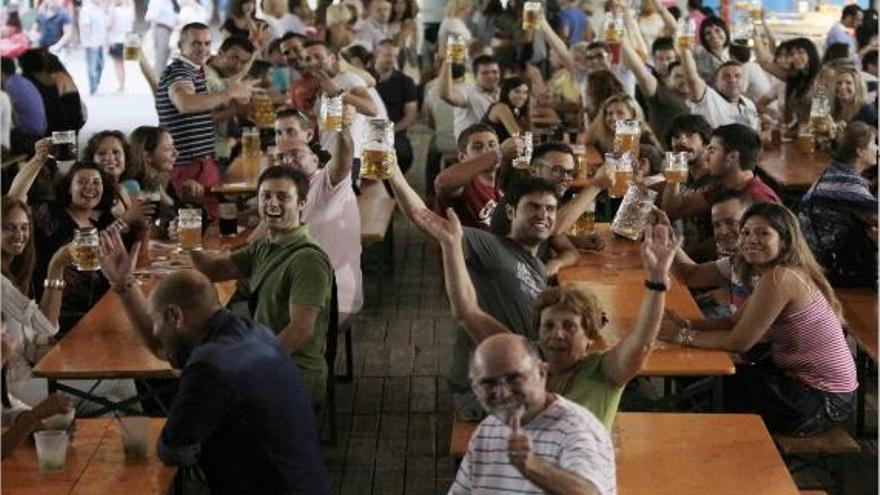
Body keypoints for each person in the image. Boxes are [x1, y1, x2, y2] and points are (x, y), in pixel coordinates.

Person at [97, 237, 329, 493]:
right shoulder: (253, 332)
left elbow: (173, 450)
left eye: (156, 323)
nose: (156, 331)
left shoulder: (210, 366)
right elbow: (162, 347)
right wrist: (123, 285)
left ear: (175, 315)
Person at [428, 200, 676, 428]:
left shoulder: (605, 372)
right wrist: (451, 247)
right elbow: (466, 311)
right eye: (548, 326)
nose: (557, 334)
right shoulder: (525, 354)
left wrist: (657, 281)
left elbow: (642, 342)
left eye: (569, 326)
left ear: (589, 336)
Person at [660, 203, 858, 436]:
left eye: (763, 233)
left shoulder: (781, 278)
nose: (751, 239)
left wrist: (681, 335)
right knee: (708, 383)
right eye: (746, 232)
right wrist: (686, 324)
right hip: (807, 388)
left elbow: (739, 342)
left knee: (715, 391)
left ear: (784, 241)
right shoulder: (773, 273)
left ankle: (705, 453)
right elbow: (732, 323)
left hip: (822, 400)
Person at [189, 166, 334, 407]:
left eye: (283, 197)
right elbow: (213, 270)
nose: (272, 204)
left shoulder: (308, 259)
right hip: (268, 359)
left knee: (205, 391)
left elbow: (300, 330)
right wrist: (190, 242)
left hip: (295, 374)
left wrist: (252, 366)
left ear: (301, 204)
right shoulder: (265, 246)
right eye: (265, 196)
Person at [449, 333, 616, 494]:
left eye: (514, 379)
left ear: (542, 373)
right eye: (488, 383)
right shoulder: (486, 431)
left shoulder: (578, 429)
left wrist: (533, 466)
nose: (503, 393)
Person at [270, 109, 362, 328]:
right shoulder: (289, 190)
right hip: (304, 287)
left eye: (290, 132)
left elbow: (343, 161)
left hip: (332, 299)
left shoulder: (325, 182)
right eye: (279, 134)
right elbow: (259, 236)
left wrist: (343, 130)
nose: (285, 141)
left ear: (314, 155)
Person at [155, 22, 256, 220]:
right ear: (180, 46)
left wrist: (255, 51)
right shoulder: (180, 72)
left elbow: (236, 78)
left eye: (207, 43)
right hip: (187, 165)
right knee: (197, 224)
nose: (203, 49)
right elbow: (185, 103)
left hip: (201, 161)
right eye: (196, 44)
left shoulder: (196, 71)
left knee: (214, 221)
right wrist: (229, 94)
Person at [798, 121, 878, 288]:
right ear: (860, 151)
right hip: (827, 272)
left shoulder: (835, 172)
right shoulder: (848, 186)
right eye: (874, 143)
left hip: (811, 260)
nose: (877, 149)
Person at [662, 123, 779, 222]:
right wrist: (676, 163)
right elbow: (673, 210)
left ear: (732, 157)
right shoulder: (723, 187)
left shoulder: (759, 198)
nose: (706, 157)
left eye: (712, 151)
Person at [302, 40, 379, 179]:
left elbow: (372, 109)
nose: (312, 61)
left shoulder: (349, 79)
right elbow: (327, 125)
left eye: (318, 56)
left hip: (349, 158)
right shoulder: (318, 85)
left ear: (332, 58)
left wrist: (338, 93)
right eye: (308, 58)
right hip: (327, 155)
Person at [669, 193, 754, 316]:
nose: (722, 231)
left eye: (731, 222)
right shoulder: (737, 260)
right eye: (717, 225)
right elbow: (690, 275)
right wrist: (667, 236)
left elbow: (742, 328)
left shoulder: (767, 266)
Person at [434, 123, 521, 230]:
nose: (487, 151)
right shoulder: (464, 185)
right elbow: (442, 183)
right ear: (462, 157)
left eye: (492, 145)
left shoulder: (502, 190)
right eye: (477, 147)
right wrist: (499, 153)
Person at [622, 38, 690, 146]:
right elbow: (638, 69)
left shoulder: (698, 96)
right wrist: (621, 39)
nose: (665, 63)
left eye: (669, 58)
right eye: (660, 59)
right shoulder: (662, 94)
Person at [81, 129, 156, 225]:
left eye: (116, 152)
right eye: (101, 153)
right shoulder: (89, 193)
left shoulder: (125, 188)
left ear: (126, 157)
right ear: (91, 159)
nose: (110, 158)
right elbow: (95, 235)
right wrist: (126, 219)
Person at [681, 44, 760, 132]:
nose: (732, 80)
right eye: (726, 76)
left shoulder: (749, 104)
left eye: (737, 76)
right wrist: (685, 50)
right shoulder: (707, 98)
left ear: (744, 81)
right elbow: (692, 79)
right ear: (716, 82)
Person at [753, 36, 821, 133]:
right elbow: (764, 62)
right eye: (792, 54)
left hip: (815, 136)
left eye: (800, 52)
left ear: (811, 53)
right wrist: (756, 35)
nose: (795, 57)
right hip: (795, 135)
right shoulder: (794, 78)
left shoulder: (822, 77)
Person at [374, 39, 418, 174]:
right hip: (366, 128)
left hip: (394, 130)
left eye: (394, 56)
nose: (391, 59)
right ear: (377, 54)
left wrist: (390, 131)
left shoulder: (406, 81)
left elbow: (410, 115)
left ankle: (394, 187)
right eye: (387, 55)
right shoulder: (365, 77)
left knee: (403, 154)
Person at [439, 55, 501, 139]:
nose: (490, 76)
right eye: (485, 73)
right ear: (475, 76)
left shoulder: (503, 93)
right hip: (472, 148)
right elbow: (446, 95)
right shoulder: (468, 92)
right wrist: (447, 60)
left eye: (494, 72)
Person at [583, 93, 662, 154]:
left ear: (633, 115)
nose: (614, 118)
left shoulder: (644, 140)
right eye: (610, 113)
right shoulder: (607, 138)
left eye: (620, 113)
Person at [0, 57, 46, 156]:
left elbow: (11, 120)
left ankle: (9, 169)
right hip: (40, 134)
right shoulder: (24, 81)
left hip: (28, 138)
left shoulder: (9, 88)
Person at [482, 76, 531, 143]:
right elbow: (518, 137)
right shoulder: (501, 108)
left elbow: (530, 135)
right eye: (517, 92)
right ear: (506, 92)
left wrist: (527, 110)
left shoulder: (516, 110)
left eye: (525, 93)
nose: (521, 96)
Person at [79, 0, 108, 95]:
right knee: (92, 67)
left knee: (101, 65)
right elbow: (85, 26)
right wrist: (91, 41)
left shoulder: (100, 8)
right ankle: (93, 88)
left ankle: (97, 85)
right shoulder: (86, 9)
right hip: (91, 43)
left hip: (101, 42)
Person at [106, 0, 135, 92]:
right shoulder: (130, 10)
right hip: (128, 39)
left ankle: (121, 85)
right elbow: (133, 21)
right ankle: (123, 84)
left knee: (118, 64)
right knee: (123, 64)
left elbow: (110, 25)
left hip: (116, 39)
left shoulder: (114, 10)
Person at [691, 16, 730, 84]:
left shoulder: (732, 52)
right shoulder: (698, 54)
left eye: (717, 30)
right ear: (704, 38)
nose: (714, 35)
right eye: (708, 33)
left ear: (725, 32)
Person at [145, 0, 178, 75]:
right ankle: (156, 81)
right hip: (161, 29)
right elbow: (150, 16)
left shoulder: (169, 2)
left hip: (169, 30)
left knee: (165, 57)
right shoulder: (157, 1)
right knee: (160, 58)